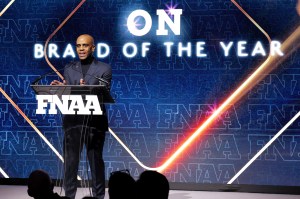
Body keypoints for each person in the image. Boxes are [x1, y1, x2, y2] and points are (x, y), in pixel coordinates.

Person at [51, 34, 112, 199]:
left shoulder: (104, 68)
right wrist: (62, 88)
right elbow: (69, 93)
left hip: (94, 123)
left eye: (85, 45)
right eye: (78, 46)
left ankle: (98, 196)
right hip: (73, 122)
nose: (81, 49)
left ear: (93, 48)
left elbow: (102, 93)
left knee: (95, 162)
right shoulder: (69, 68)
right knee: (70, 164)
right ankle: (69, 196)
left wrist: (85, 89)